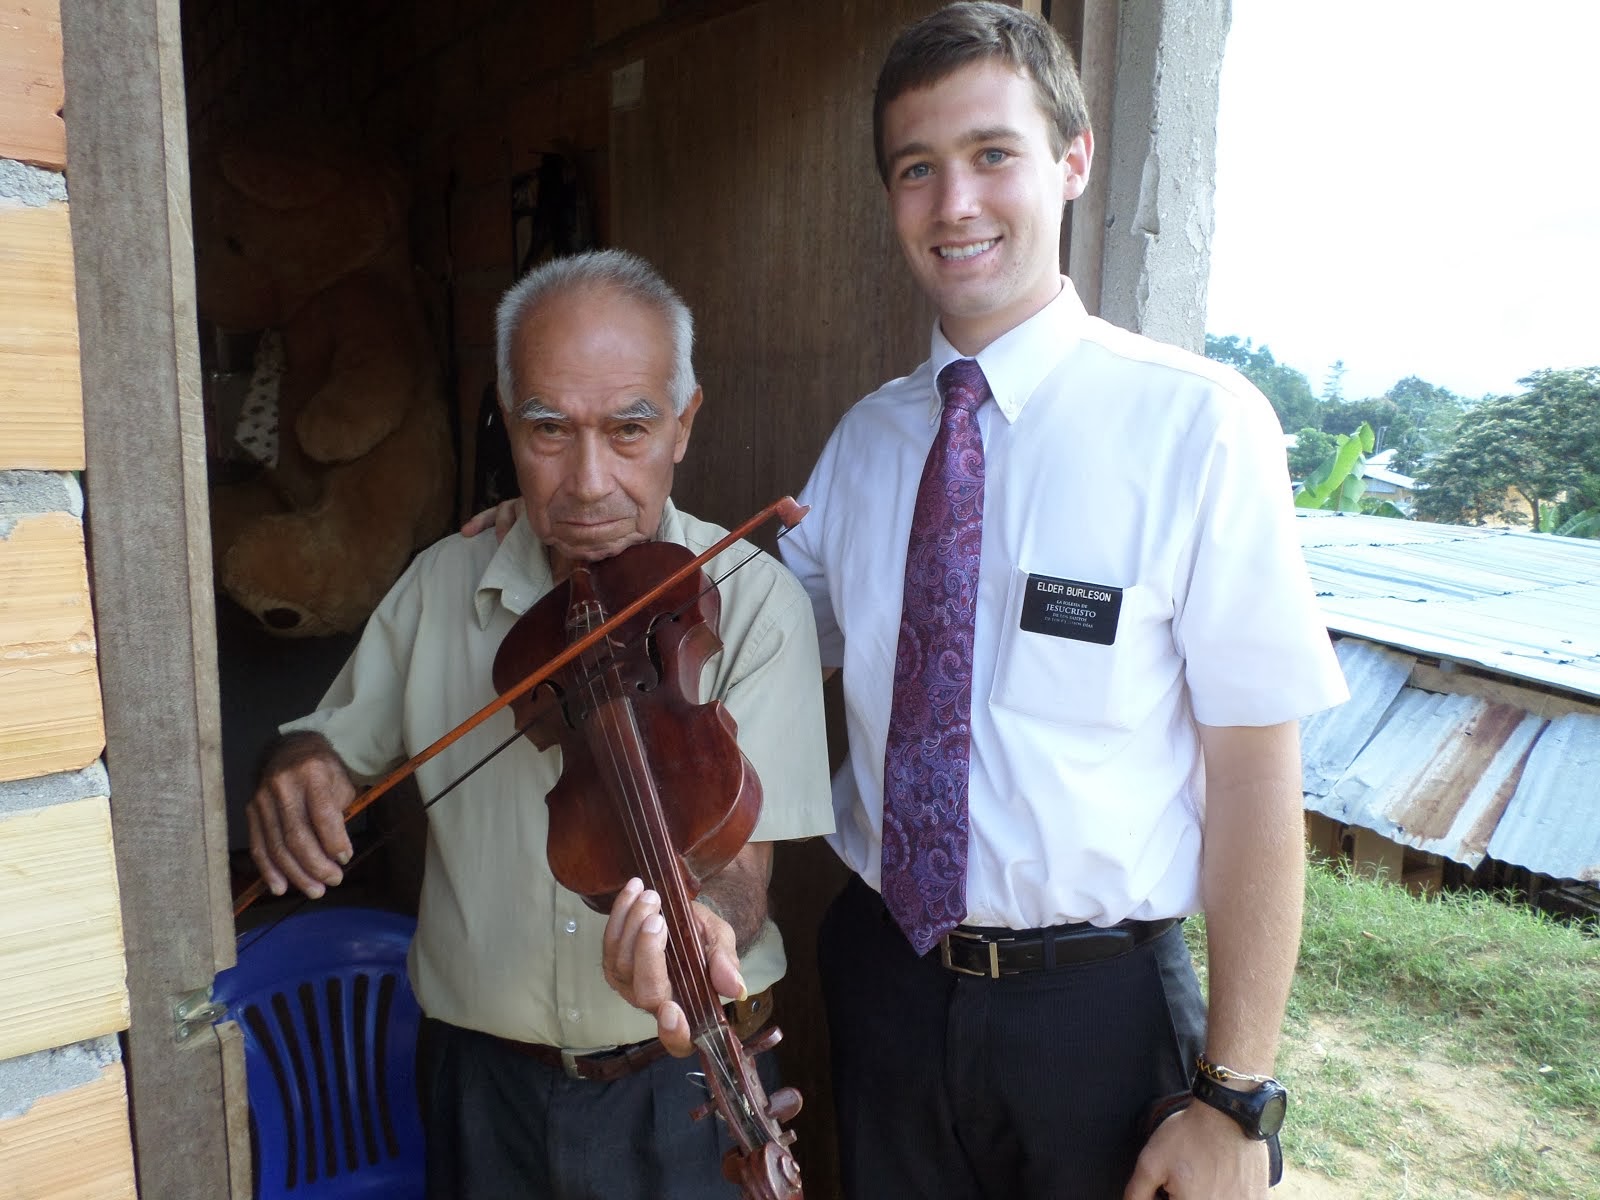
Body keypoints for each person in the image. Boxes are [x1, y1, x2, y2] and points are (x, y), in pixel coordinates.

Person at [603, 5, 1348, 1199]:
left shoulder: (1197, 427)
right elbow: (747, 641)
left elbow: (1259, 774)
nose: (954, 203)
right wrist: (591, 533)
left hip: (1095, 1016)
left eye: (991, 153)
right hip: (887, 980)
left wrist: (1236, 1096)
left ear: (1072, 159)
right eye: (916, 168)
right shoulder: (866, 441)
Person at [245, 248, 835, 1200]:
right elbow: (330, 744)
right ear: (508, 424)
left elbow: (738, 866)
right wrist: (300, 765)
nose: (590, 482)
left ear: (684, 423)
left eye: (630, 429)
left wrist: (697, 927)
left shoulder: (751, 602)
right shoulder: (442, 584)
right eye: (549, 430)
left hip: (678, 1091)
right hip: (482, 1092)